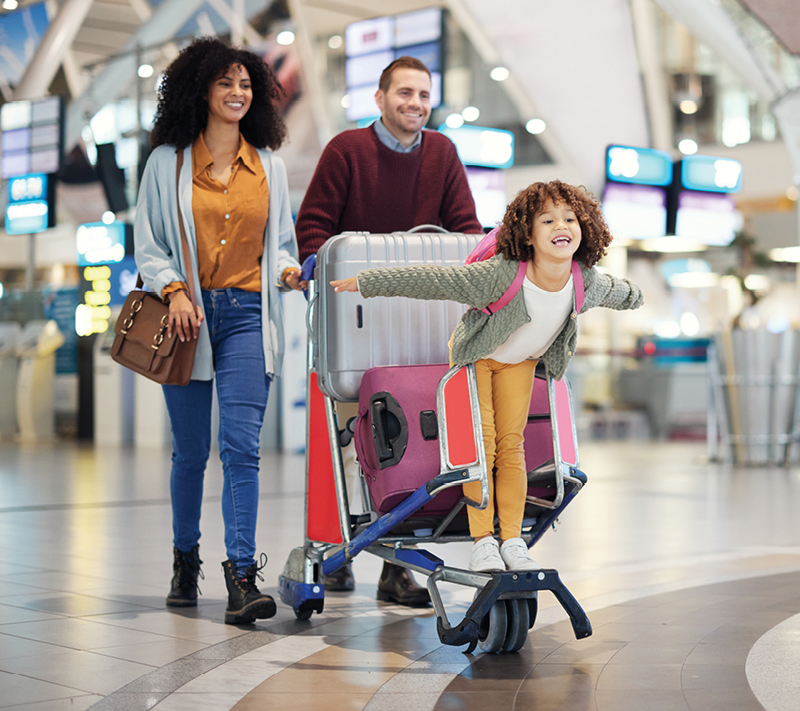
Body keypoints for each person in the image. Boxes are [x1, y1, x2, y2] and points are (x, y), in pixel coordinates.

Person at [331, 181, 643, 572]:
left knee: (512, 447)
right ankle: (483, 543)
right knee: (481, 446)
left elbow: (619, 291)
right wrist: (367, 282)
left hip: (520, 362)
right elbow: (434, 281)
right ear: (527, 234)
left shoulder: (585, 281)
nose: (561, 225)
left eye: (569, 218)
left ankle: (511, 539)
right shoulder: (501, 274)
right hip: (477, 359)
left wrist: (637, 296)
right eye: (547, 220)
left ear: (584, 228)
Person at [295, 56, 483, 605]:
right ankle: (334, 545)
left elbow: (466, 230)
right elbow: (313, 229)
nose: (416, 104)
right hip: (353, 323)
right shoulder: (346, 152)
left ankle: (392, 564)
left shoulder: (443, 154)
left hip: (418, 322)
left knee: (405, 443)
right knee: (349, 445)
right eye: (405, 93)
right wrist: (313, 263)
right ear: (379, 98)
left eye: (424, 95)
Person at [134, 37, 304, 625]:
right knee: (190, 453)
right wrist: (174, 290)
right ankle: (186, 560)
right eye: (225, 82)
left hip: (249, 318)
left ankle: (241, 578)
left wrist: (288, 269)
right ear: (200, 90)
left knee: (242, 449)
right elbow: (149, 244)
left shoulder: (271, 167)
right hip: (186, 318)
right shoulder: (167, 163)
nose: (237, 93)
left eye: (246, 84)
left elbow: (281, 242)